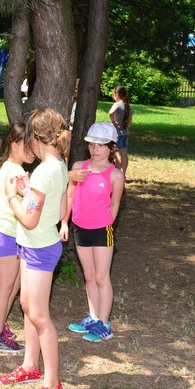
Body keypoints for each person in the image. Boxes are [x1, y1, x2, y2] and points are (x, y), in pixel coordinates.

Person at [0, 108, 69, 389]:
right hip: (33, 245)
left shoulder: (43, 171)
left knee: (39, 315)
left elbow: (28, 220)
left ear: (35, 138)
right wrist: (28, 193)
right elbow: (60, 205)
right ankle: (30, 365)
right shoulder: (58, 165)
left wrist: (12, 195)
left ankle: (52, 384)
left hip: (39, 248)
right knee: (27, 306)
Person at [61, 122, 124, 342]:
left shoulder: (115, 175)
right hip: (80, 228)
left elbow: (115, 204)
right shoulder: (79, 167)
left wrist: (107, 225)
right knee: (89, 276)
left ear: (111, 147)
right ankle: (94, 316)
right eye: (91, 144)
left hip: (102, 231)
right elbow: (70, 195)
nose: (95, 149)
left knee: (101, 277)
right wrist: (65, 222)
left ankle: (104, 324)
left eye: (101, 145)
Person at [0, 123, 34, 355]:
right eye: (28, 146)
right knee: (4, 289)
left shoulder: (10, 166)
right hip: (6, 235)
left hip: (7, 235)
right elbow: (29, 204)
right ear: (15, 145)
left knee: (11, 287)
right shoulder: (16, 172)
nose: (33, 151)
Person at [108, 86, 132, 176]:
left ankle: (116, 173)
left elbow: (110, 113)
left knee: (117, 155)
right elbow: (129, 122)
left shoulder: (117, 104)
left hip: (117, 133)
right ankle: (123, 174)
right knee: (124, 154)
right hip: (125, 133)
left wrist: (114, 122)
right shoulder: (128, 106)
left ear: (117, 94)